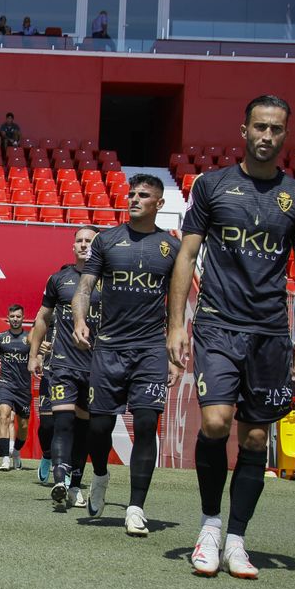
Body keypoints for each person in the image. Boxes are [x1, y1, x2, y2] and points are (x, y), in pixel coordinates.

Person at [168, 95, 295, 579]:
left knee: (255, 437)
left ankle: (236, 539)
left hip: (270, 333)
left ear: (285, 134)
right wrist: (176, 325)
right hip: (217, 324)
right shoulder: (212, 186)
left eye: (275, 128)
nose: (266, 135)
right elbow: (187, 255)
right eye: (259, 127)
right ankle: (209, 527)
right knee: (216, 423)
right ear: (244, 130)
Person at [71, 175, 181, 536]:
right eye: (131, 193)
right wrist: (79, 320)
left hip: (150, 349)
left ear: (159, 204)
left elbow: (178, 301)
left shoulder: (172, 246)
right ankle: (100, 475)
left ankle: (136, 507)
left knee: (147, 423)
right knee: (99, 427)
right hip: (109, 347)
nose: (134, 199)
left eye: (143, 195)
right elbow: (84, 287)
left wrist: (174, 351)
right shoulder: (106, 240)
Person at [27, 225, 102, 507]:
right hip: (62, 365)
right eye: (79, 240)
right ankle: (60, 479)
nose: (83, 245)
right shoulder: (58, 279)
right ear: (73, 246)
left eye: (89, 241)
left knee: (85, 429)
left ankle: (75, 485)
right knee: (61, 423)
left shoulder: (109, 279)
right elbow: (42, 318)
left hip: (96, 367)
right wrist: (34, 354)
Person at [0, 305, 32, 472]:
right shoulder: (0, 338)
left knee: (23, 426)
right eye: (12, 316)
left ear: (23, 318)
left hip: (23, 387)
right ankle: (5, 458)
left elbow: (37, 357)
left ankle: (16, 452)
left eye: (18, 316)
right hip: (5, 385)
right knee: (4, 417)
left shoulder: (30, 338)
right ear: (8, 317)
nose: (15, 319)